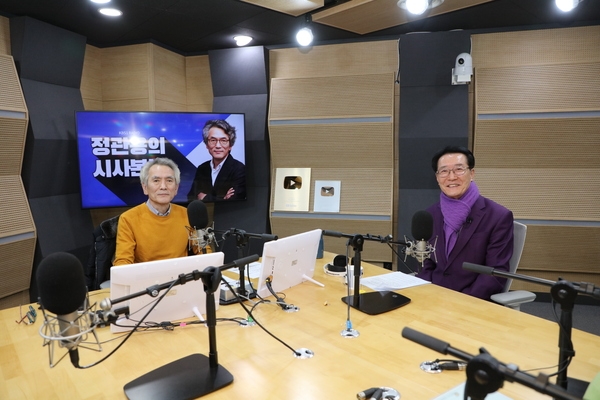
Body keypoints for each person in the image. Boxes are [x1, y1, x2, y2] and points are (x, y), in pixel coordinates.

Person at [416, 146, 514, 300]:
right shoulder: (430, 214)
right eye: (444, 171)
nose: (451, 177)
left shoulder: (498, 216)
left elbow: (495, 273)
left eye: (459, 169)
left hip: (472, 301)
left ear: (472, 173)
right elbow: (426, 263)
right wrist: (427, 293)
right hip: (434, 297)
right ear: (437, 178)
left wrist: (462, 301)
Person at [114, 157, 208, 266]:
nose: (163, 187)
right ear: (145, 187)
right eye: (156, 181)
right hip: (146, 275)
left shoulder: (187, 214)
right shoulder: (128, 219)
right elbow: (123, 262)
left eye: (169, 181)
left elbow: (204, 251)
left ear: (176, 188)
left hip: (181, 274)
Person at [187, 119, 246, 202]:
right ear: (206, 144)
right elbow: (191, 197)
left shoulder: (239, 169)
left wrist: (205, 197)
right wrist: (223, 199)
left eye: (223, 140)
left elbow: (235, 200)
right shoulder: (202, 168)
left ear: (230, 145)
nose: (218, 146)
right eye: (213, 140)